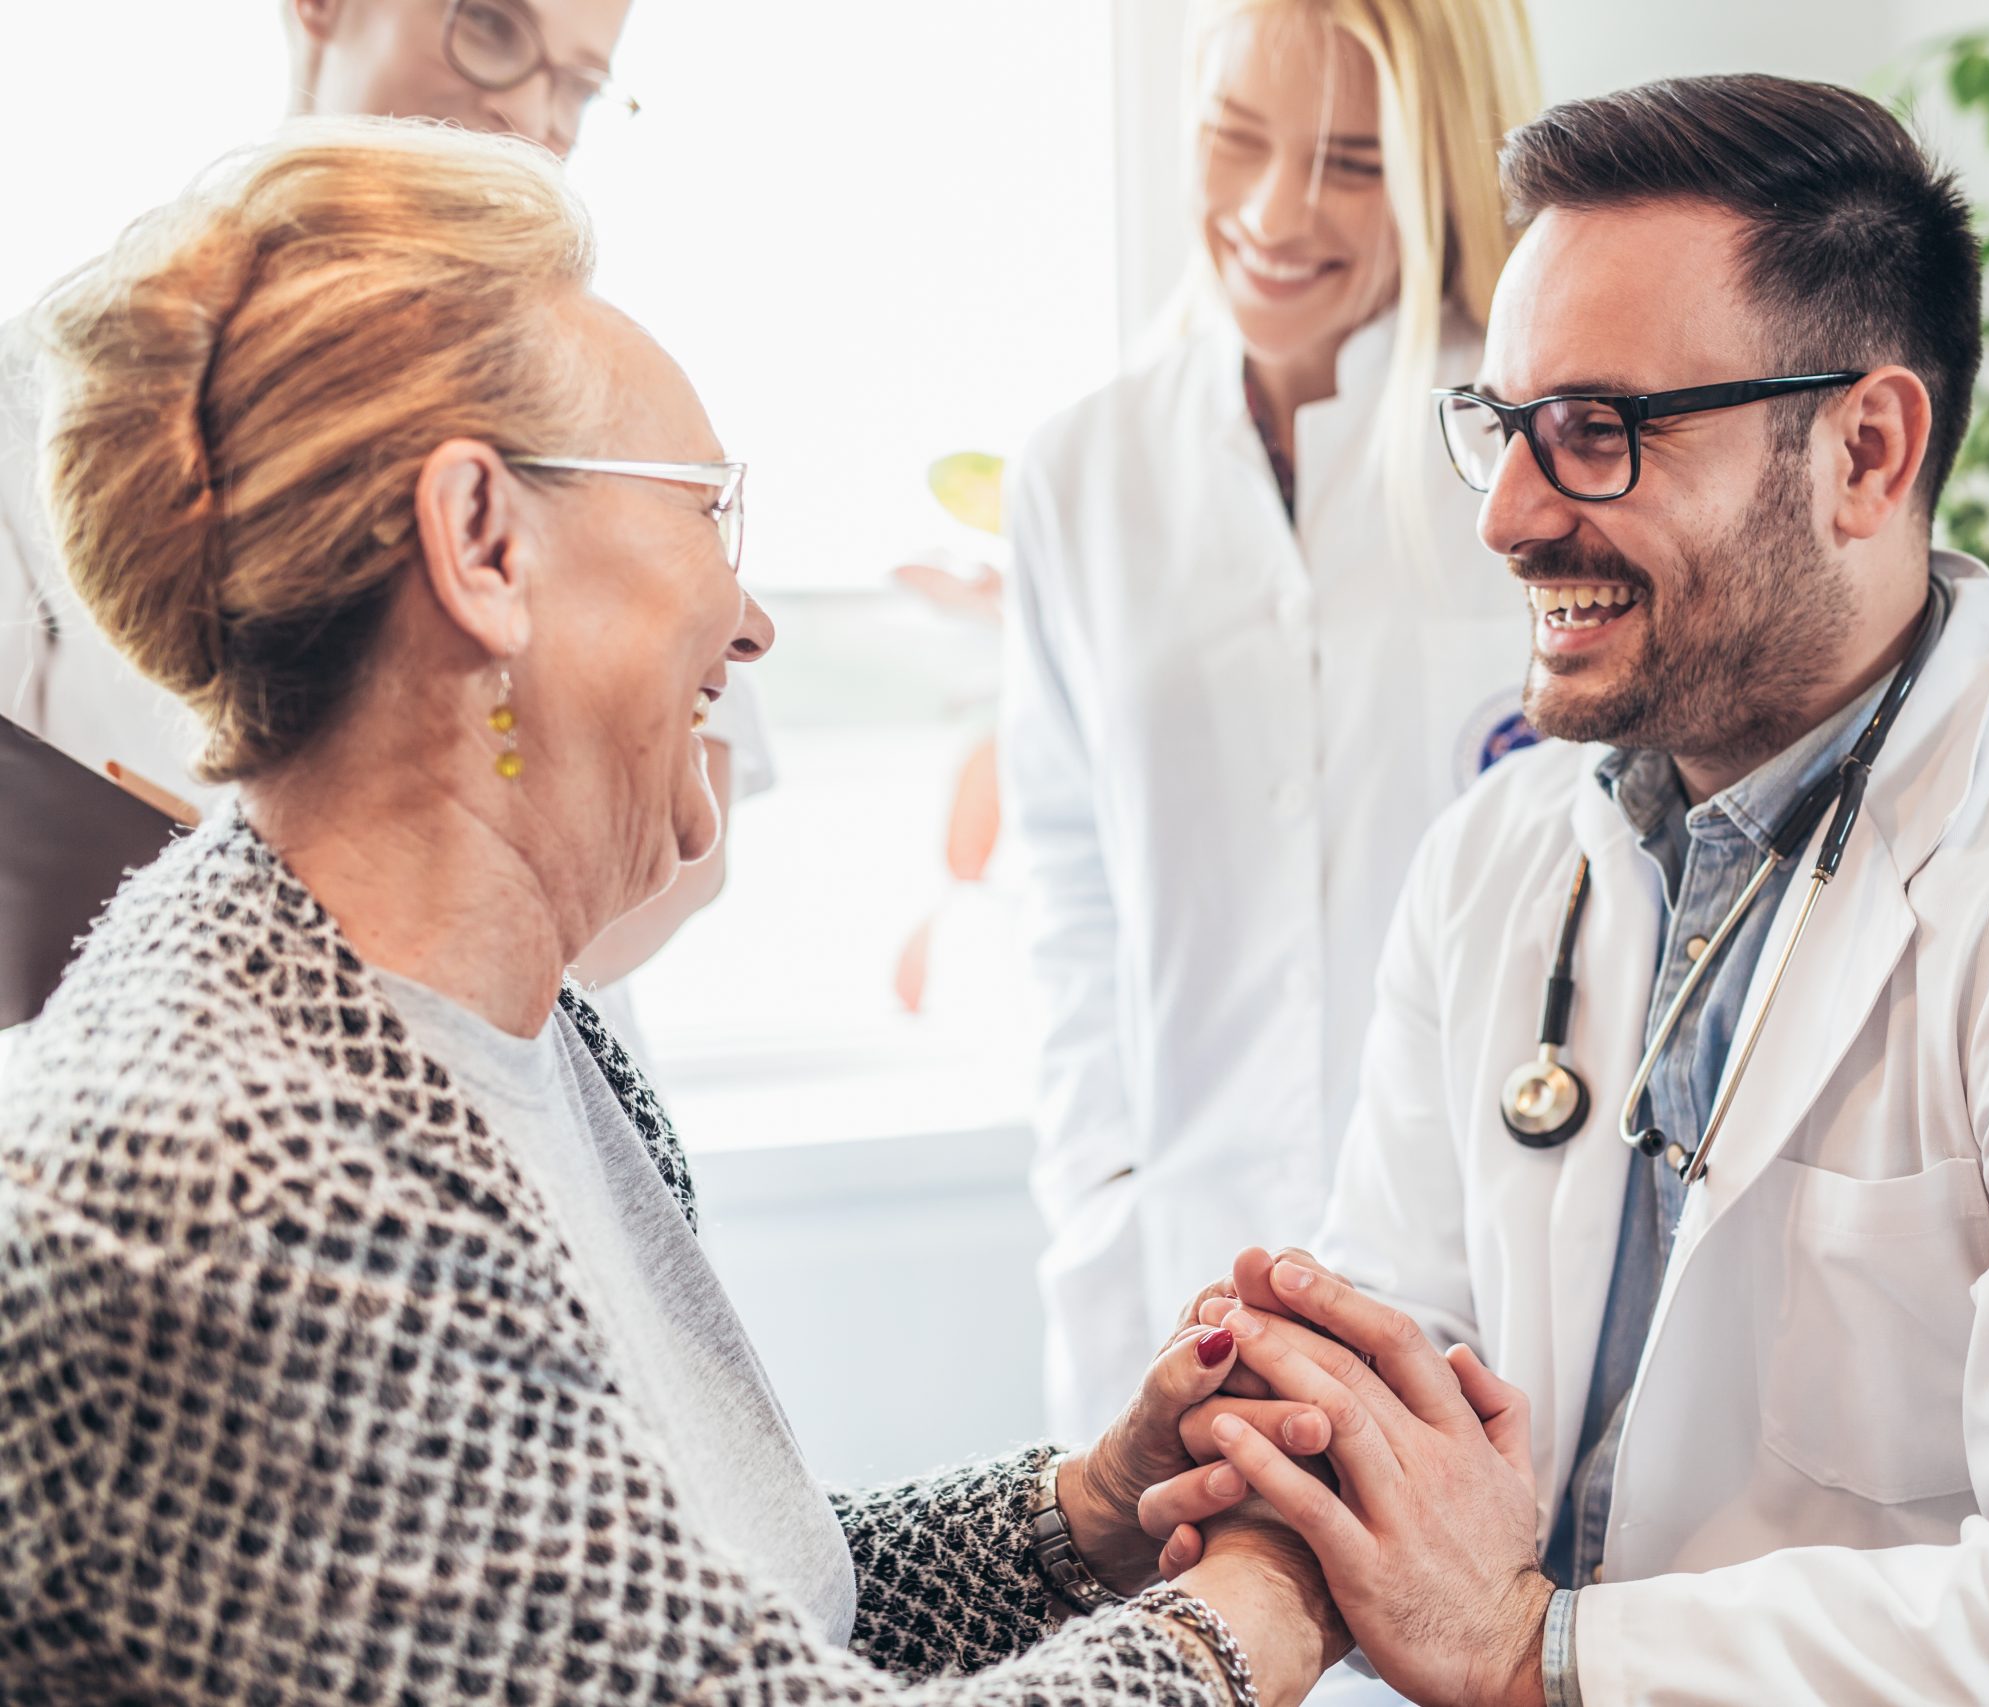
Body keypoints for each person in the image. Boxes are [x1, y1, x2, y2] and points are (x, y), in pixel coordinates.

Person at [0, 120, 1351, 1706]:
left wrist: (1089, 1513)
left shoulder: (515, 1029)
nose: (753, 616)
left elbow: (699, 1620)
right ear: (484, 545)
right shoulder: (256, 1189)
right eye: (710, 508)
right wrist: (1262, 1600)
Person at [1148, 75, 1989, 1705]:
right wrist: (1288, 1466)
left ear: (1866, 448)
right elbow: (1398, 1359)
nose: (1509, 515)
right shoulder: (1499, 861)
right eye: (1503, 426)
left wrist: (1540, 1653)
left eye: (1599, 431)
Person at [0, 0, 772, 1045]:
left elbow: (682, 825)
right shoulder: (57, 398)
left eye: (582, 84)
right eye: (491, 28)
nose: (532, 113)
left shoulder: (613, 398)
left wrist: (472, 981)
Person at [1003, 0, 1544, 1444]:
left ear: (1445, 164)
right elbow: (1070, 904)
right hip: (1177, 1264)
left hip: (1491, 1287)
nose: (1272, 211)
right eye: (1235, 138)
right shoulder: (1084, 473)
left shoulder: (1547, 452)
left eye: (1353, 163)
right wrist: (1102, 1203)